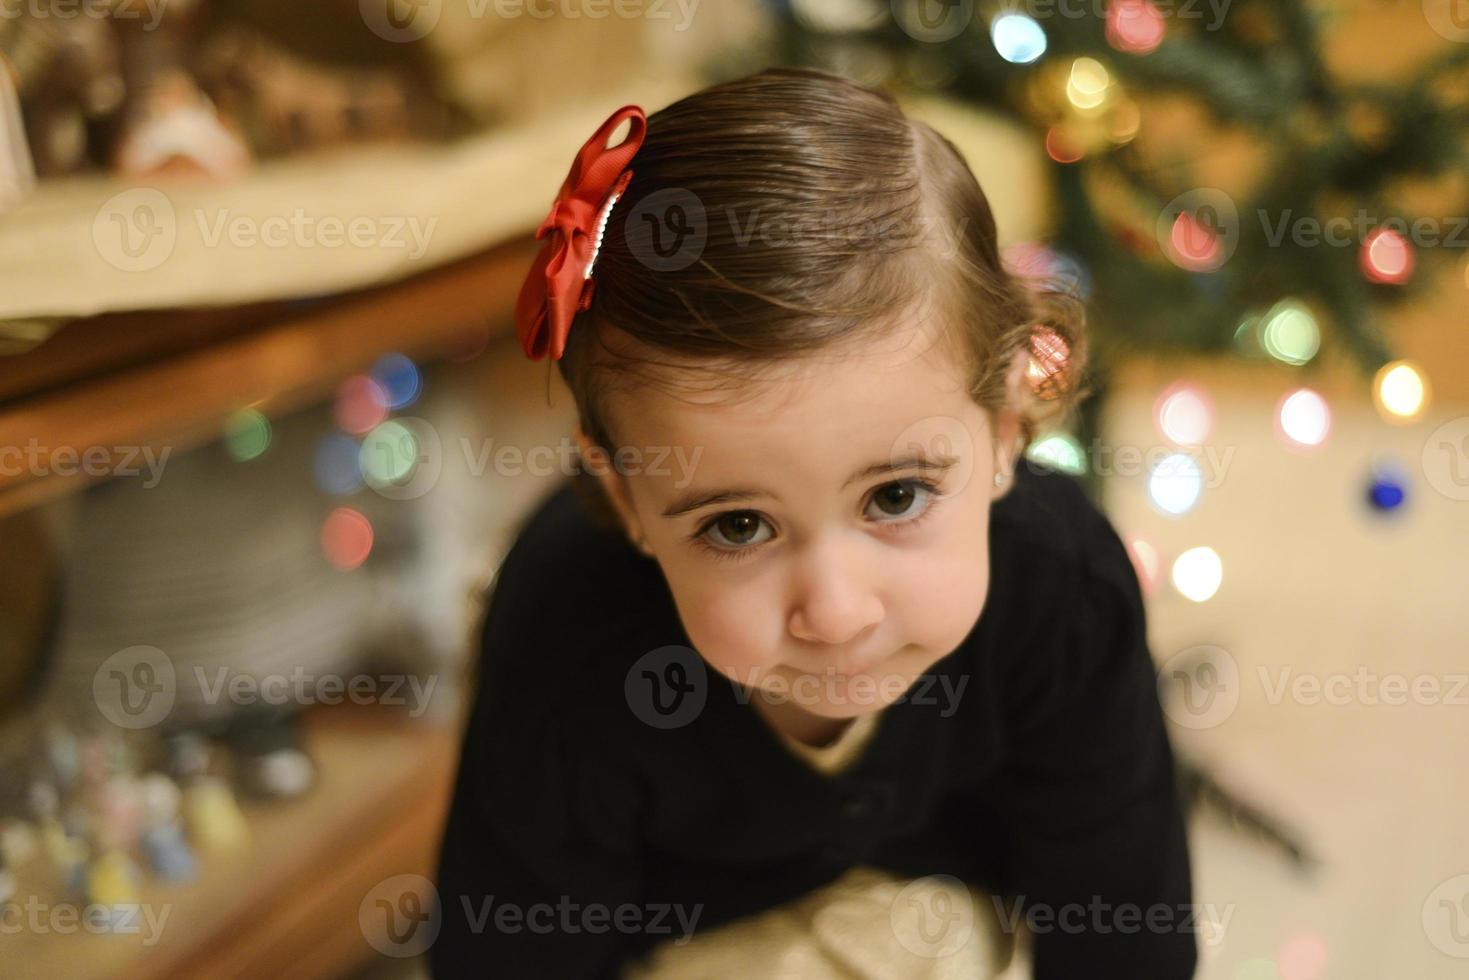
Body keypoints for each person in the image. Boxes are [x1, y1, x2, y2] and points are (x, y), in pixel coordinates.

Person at [429, 66, 1196, 979]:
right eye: (738, 526)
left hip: (944, 903)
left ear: (1001, 431)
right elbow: (509, 957)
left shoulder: (1059, 586)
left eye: (896, 497)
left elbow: (1124, 924)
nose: (833, 614)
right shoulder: (568, 634)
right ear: (629, 498)